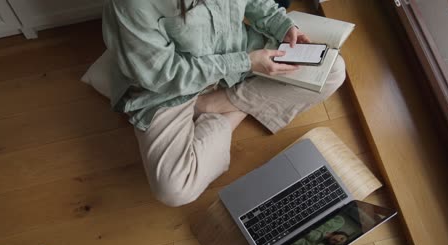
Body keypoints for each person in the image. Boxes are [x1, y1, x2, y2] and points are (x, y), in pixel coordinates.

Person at [102, 0, 346, 207]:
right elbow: (164, 75)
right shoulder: (131, 5)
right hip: (171, 87)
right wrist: (245, 63)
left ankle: (213, 105)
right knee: (174, 188)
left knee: (333, 71)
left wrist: (282, 26)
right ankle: (233, 109)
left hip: (237, 51)